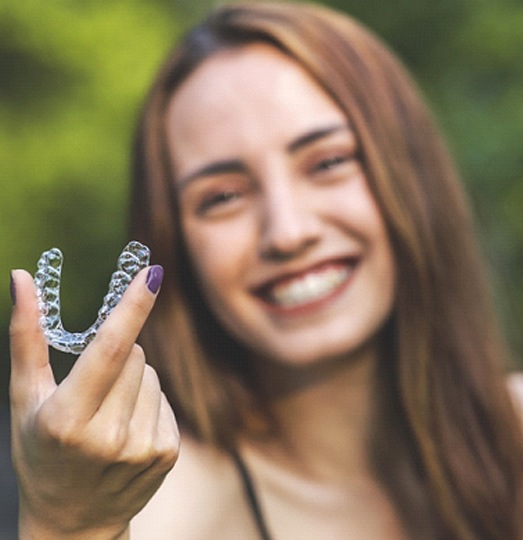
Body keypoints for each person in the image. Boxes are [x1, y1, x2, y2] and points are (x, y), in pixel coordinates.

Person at [9, 2, 523, 539]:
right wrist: (67, 525)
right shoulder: (157, 514)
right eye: (224, 196)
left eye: (327, 162)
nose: (287, 231)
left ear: (413, 175)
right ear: (175, 244)